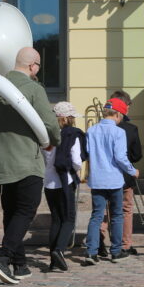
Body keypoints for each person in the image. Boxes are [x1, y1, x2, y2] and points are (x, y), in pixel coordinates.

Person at [0, 47, 61, 284]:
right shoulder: (34, 89)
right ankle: (2, 258)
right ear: (33, 66)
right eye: (38, 67)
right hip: (25, 160)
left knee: (11, 213)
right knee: (26, 211)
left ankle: (20, 264)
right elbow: (50, 124)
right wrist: (55, 141)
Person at [83, 98, 140, 265]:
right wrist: (132, 171)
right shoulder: (118, 132)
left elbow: (87, 152)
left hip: (97, 179)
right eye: (121, 116)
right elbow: (120, 157)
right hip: (114, 180)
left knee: (96, 216)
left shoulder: (92, 130)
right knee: (116, 215)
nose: (121, 119)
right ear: (116, 114)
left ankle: (91, 252)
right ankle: (116, 251)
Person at [98, 90, 142, 256]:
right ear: (126, 107)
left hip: (102, 175)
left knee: (102, 210)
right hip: (124, 177)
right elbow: (137, 155)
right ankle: (125, 244)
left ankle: (99, 241)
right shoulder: (131, 129)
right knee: (125, 210)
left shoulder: (99, 128)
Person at [43, 101, 85, 272]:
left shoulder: (46, 134)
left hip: (48, 182)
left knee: (56, 220)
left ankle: (53, 260)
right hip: (64, 180)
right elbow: (75, 160)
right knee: (68, 219)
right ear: (68, 118)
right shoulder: (71, 135)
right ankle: (59, 251)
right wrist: (78, 170)